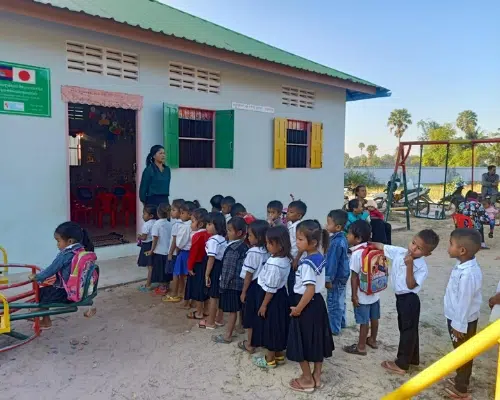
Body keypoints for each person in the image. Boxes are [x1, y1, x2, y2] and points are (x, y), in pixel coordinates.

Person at [376, 229, 440, 375]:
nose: (413, 248)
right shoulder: (400, 252)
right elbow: (381, 246)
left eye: (419, 249)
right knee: (409, 329)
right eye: (413, 243)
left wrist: (409, 265)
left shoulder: (422, 267)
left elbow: (411, 285)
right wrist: (366, 245)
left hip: (409, 299)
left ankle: (402, 364)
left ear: (427, 254)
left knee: (407, 331)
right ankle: (413, 358)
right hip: (401, 298)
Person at [287, 220, 334, 393]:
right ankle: (317, 376)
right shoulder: (318, 256)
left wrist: (298, 309)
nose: (296, 242)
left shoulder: (307, 264)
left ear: (312, 242)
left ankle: (307, 379)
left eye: (300, 239)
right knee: (317, 341)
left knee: (303, 342)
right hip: (317, 304)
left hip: (306, 304)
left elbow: (309, 289)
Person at [28, 222, 95, 329]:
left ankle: (37, 316)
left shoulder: (65, 254)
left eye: (58, 241)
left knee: (41, 293)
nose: (57, 244)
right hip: (81, 291)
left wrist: (37, 277)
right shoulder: (83, 250)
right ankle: (44, 319)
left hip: (66, 294)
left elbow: (52, 269)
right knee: (47, 291)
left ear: (70, 241)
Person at [443, 228, 483, 399]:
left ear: (462, 251)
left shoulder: (468, 275)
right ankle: (461, 377)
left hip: (462, 322)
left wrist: (459, 325)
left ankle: (461, 389)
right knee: (458, 350)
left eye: (451, 244)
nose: (448, 247)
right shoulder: (462, 265)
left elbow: (465, 301)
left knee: (463, 353)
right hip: (456, 318)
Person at [251, 225, 291, 369]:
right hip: (280, 296)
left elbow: (271, 287)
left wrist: (264, 305)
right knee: (278, 325)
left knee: (270, 327)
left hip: (271, 298)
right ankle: (279, 354)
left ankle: (269, 359)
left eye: (269, 243)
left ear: (279, 245)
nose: (267, 246)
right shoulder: (285, 259)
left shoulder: (275, 263)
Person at [343, 220, 379, 356]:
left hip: (362, 294)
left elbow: (354, 277)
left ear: (357, 239)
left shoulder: (357, 254)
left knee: (364, 321)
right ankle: (373, 340)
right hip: (375, 291)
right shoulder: (372, 248)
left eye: (349, 234)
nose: (347, 236)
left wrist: (354, 295)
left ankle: (361, 346)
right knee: (374, 318)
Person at [212, 217, 249, 344]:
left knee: (232, 310)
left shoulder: (233, 249)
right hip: (240, 283)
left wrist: (222, 286)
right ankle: (240, 327)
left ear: (239, 233)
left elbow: (228, 270)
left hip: (231, 284)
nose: (227, 233)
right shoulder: (244, 246)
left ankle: (228, 335)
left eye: (229, 230)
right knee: (239, 308)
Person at [238, 220, 270, 354]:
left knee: (250, 315)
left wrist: (244, 291)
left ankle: (250, 344)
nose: (248, 237)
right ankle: (261, 341)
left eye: (250, 235)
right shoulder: (268, 250)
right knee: (260, 314)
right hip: (263, 286)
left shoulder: (253, 252)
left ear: (259, 237)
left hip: (252, 286)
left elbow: (248, 274)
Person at [164, 200, 199, 302]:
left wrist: (174, 251)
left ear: (189, 214)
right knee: (183, 275)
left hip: (183, 252)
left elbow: (179, 242)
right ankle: (181, 293)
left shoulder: (183, 226)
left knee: (177, 274)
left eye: (182, 212)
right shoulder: (189, 225)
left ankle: (175, 294)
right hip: (186, 252)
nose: (180, 214)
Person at [199, 212, 228, 329]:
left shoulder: (213, 241)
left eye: (210, 224)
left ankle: (210, 322)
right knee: (219, 295)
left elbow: (211, 258)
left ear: (217, 225)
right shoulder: (223, 239)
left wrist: (207, 274)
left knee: (213, 297)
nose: (207, 226)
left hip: (214, 268)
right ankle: (219, 319)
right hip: (221, 267)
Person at [325, 209, 350, 335]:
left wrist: (328, 279)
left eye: (328, 223)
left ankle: (334, 328)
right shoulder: (343, 239)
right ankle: (342, 322)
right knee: (340, 300)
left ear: (338, 226)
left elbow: (332, 263)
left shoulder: (335, 242)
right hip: (342, 276)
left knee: (334, 303)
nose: (326, 225)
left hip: (336, 277)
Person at [186, 208, 211, 320]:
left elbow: (193, 254)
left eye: (192, 221)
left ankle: (199, 312)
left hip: (198, 265)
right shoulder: (209, 234)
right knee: (205, 288)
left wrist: (190, 267)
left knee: (198, 290)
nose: (191, 224)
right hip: (207, 264)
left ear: (200, 224)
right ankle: (206, 310)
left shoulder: (197, 236)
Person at [148, 203, 172, 295]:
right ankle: (167, 286)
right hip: (168, 251)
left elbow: (155, 239)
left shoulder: (156, 224)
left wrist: (151, 250)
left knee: (160, 270)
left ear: (158, 213)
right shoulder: (170, 224)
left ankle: (162, 288)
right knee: (166, 270)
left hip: (159, 251)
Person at [287, 200, 307, 297]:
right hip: (292, 258)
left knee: (294, 282)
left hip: (297, 259)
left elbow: (300, 245)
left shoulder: (298, 227)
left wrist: (296, 259)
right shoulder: (291, 225)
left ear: (299, 216)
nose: (288, 214)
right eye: (288, 211)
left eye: (291, 212)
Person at [164, 199, 184, 298]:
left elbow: (174, 241)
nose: (171, 212)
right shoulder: (186, 223)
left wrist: (170, 253)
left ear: (181, 211)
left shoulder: (177, 225)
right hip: (180, 252)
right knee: (181, 274)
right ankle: (181, 291)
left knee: (175, 274)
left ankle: (174, 293)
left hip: (175, 253)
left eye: (173, 210)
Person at [137, 204, 157, 292]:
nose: (142, 215)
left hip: (147, 246)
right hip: (154, 244)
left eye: (144, 214)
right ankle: (152, 282)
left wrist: (139, 236)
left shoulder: (146, 225)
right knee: (152, 265)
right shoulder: (156, 222)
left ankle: (148, 285)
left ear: (151, 216)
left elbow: (144, 237)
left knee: (150, 266)